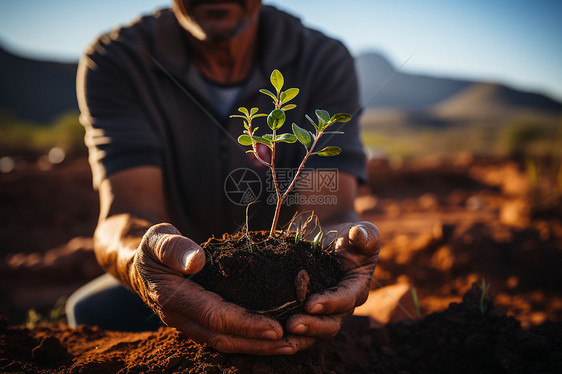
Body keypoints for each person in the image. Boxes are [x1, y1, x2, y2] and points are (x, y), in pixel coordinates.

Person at [67, 0, 381, 356]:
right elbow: (125, 213)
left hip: (291, 289)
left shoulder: (323, 58)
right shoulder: (119, 58)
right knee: (91, 310)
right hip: (181, 276)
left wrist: (341, 245)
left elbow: (329, 211)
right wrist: (143, 261)